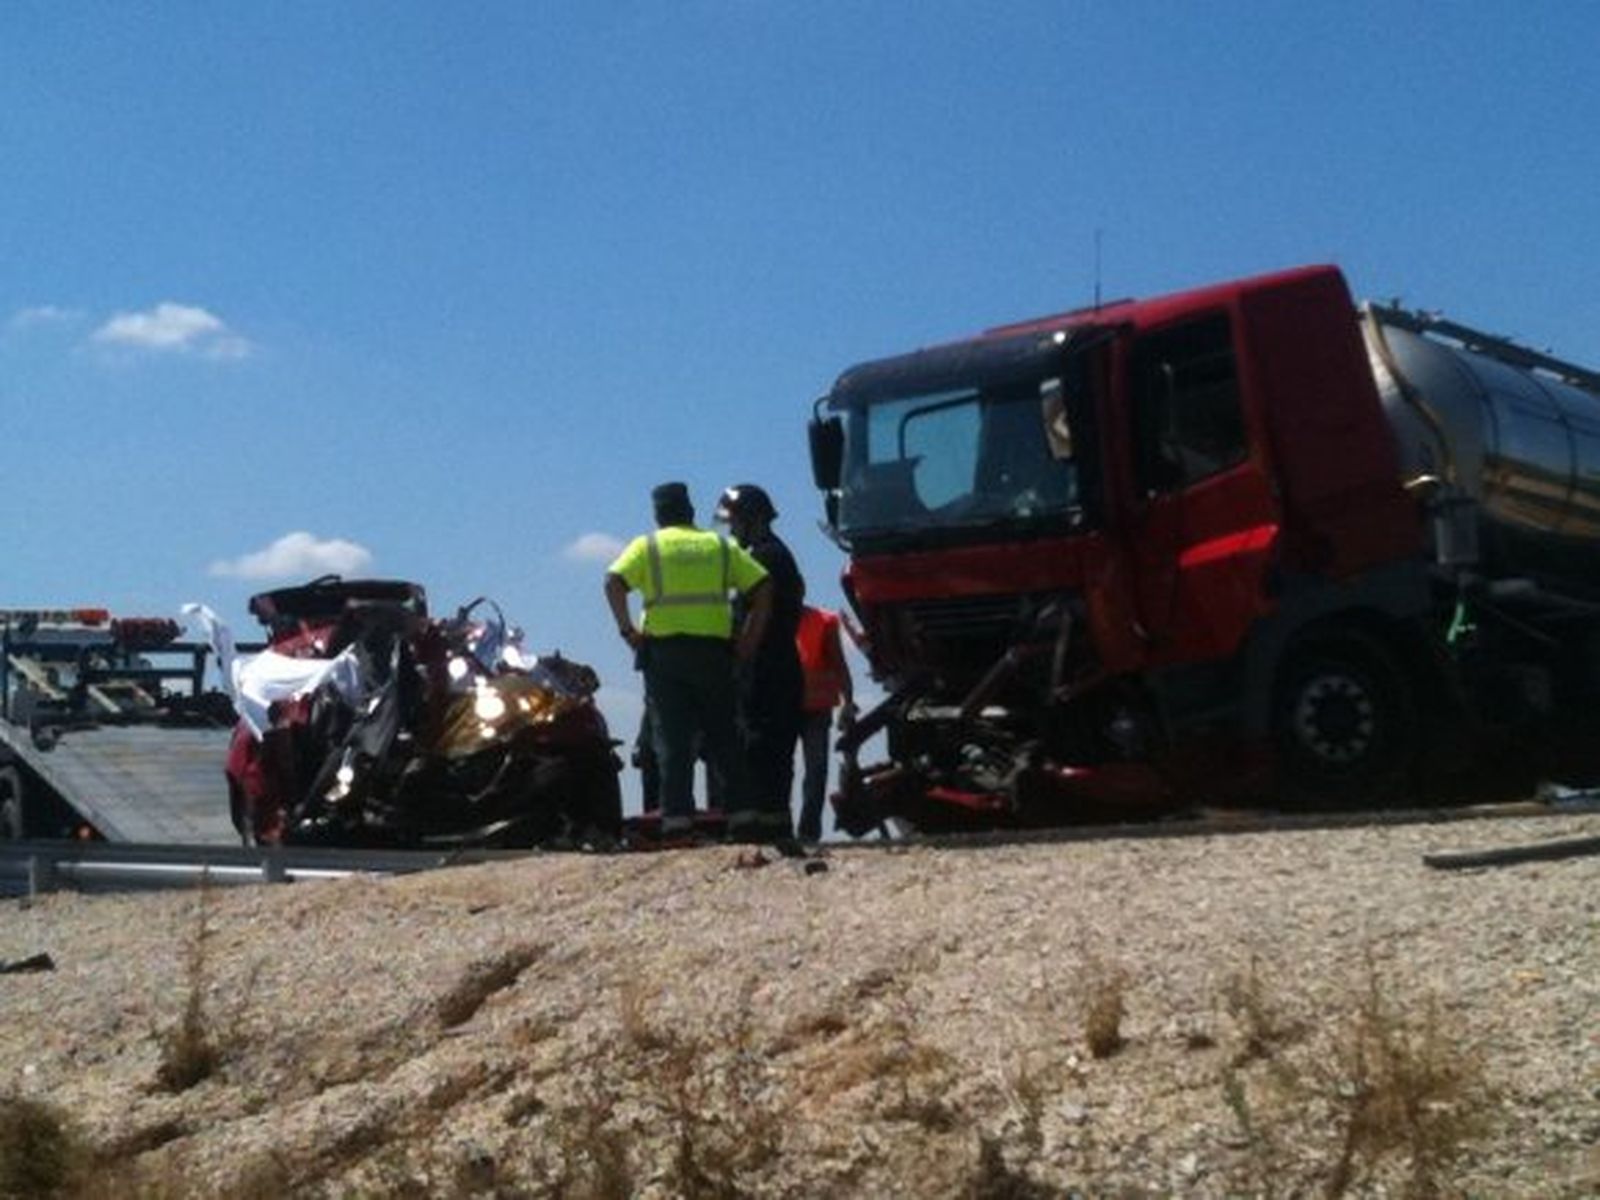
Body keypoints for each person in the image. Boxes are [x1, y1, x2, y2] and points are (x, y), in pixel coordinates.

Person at [605, 482, 771, 837]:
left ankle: (677, 820)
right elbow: (763, 587)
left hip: (665, 656)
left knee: (672, 738)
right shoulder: (719, 546)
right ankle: (742, 815)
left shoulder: (647, 547)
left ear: (657, 514)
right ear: (690, 511)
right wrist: (749, 641)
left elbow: (613, 582)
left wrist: (628, 632)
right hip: (714, 653)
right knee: (724, 734)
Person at [715, 483, 805, 840]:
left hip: (768, 669)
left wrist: (739, 655)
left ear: (753, 520)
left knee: (762, 748)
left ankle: (763, 828)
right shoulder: (772, 555)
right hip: (770, 667)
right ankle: (770, 826)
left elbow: (757, 618)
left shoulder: (767, 558)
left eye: (735, 522)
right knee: (766, 749)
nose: (732, 530)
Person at [795, 604, 855, 842]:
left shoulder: (824, 621)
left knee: (814, 770)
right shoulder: (775, 617)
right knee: (813, 769)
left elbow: (838, 663)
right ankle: (799, 829)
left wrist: (848, 702)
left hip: (813, 707)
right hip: (791, 706)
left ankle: (807, 831)